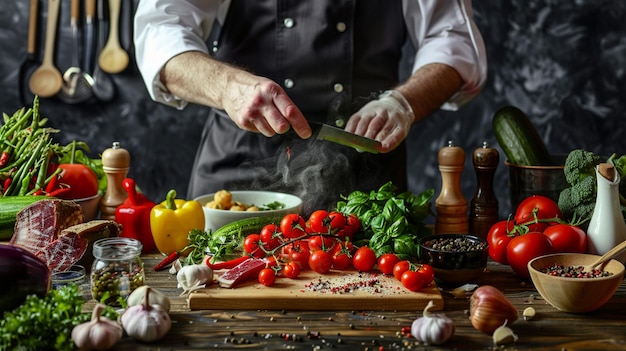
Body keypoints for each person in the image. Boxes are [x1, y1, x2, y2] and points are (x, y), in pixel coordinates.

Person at [134, 0, 487, 213]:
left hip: (366, 180)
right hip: (239, 169)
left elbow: (452, 39)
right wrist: (228, 86)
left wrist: (402, 102)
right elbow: (160, 30)